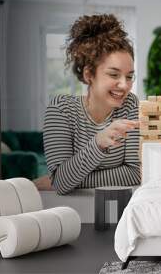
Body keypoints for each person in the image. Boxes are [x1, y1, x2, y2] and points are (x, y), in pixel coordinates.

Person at [42, 14, 140, 195]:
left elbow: (136, 173)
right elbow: (62, 183)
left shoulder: (130, 105)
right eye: (113, 74)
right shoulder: (61, 110)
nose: (125, 85)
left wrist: (72, 178)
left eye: (129, 76)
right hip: (71, 211)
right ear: (89, 75)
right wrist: (98, 143)